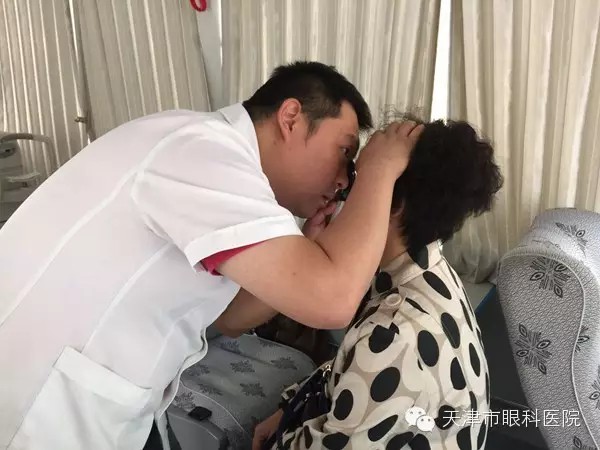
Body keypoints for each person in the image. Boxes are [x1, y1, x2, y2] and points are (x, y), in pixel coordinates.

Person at [0, 61, 423, 450]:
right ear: (291, 117)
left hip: (117, 401)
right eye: (345, 152)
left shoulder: (217, 167)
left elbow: (228, 319)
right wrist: (379, 167)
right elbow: (332, 301)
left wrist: (308, 249)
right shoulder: (201, 153)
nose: (344, 180)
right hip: (45, 408)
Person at [250, 118, 504, 450]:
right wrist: (290, 406)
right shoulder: (429, 272)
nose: (341, 189)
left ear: (395, 205)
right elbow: (348, 368)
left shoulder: (394, 333)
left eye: (359, 178)